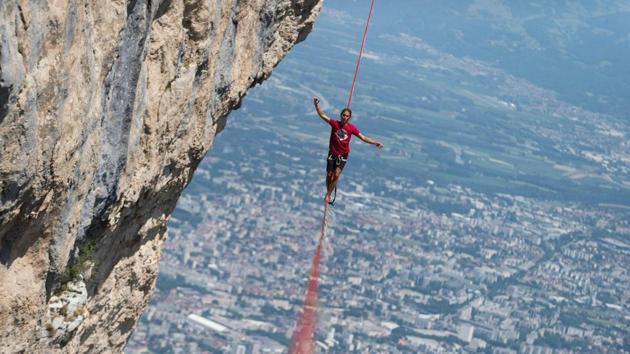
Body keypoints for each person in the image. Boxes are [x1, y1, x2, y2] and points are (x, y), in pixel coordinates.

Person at [313, 97, 383, 205]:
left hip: (343, 154)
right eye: (343, 115)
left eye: (347, 116)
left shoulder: (351, 128)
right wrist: (316, 105)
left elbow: (363, 138)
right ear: (341, 115)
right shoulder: (335, 123)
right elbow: (322, 115)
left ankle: (328, 194)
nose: (345, 117)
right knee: (329, 174)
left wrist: (375, 143)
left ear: (349, 117)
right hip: (332, 153)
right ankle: (328, 191)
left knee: (336, 174)